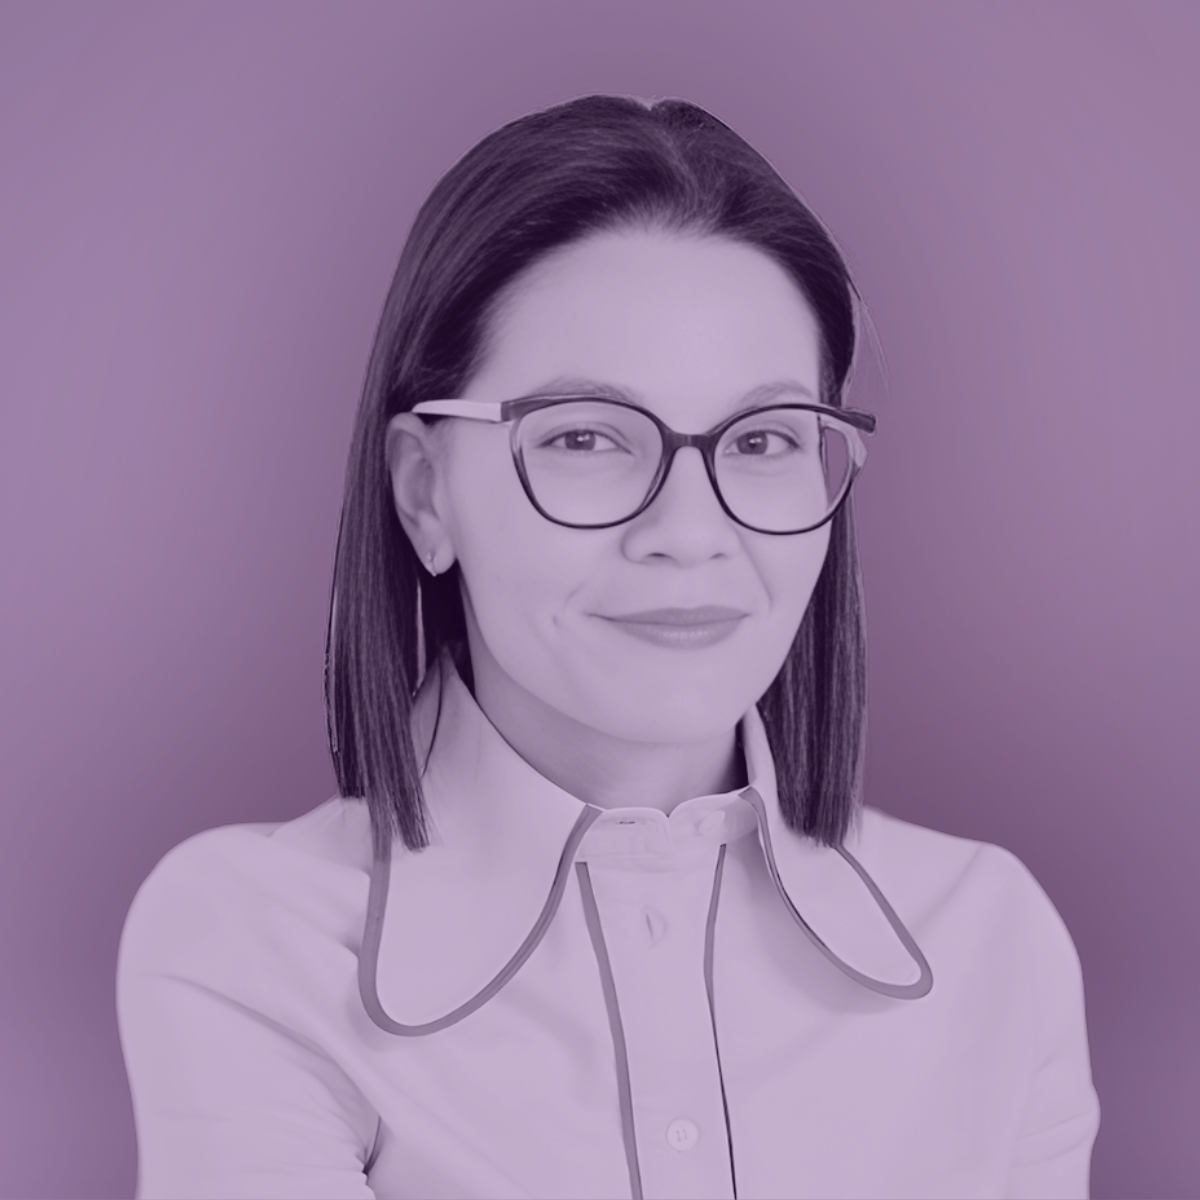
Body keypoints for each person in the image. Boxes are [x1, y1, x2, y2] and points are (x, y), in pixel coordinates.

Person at [116, 94, 1101, 1199]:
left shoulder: (991, 942)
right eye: (586, 437)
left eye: (765, 440)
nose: (690, 532)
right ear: (426, 492)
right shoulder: (254, 944)